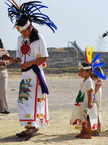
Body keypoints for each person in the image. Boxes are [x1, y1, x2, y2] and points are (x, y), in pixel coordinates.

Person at [6, 0, 57, 140]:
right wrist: (11, 59)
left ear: (29, 28)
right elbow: (19, 58)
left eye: (23, 31)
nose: (22, 34)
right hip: (25, 76)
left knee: (33, 100)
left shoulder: (39, 38)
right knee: (23, 100)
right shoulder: (19, 39)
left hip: (35, 75)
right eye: (20, 31)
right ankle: (28, 126)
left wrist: (28, 63)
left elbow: (44, 58)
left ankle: (33, 126)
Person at [70, 48, 106, 139]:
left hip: (93, 95)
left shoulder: (93, 75)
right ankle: (84, 131)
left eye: (82, 71)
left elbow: (95, 86)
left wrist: (91, 99)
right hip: (85, 98)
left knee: (92, 114)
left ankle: (93, 131)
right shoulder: (86, 79)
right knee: (84, 116)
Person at [0, 38, 10, 114]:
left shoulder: (4, 51)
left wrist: (4, 62)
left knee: (3, 91)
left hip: (3, 72)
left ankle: (5, 108)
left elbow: (8, 61)